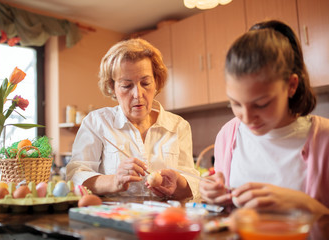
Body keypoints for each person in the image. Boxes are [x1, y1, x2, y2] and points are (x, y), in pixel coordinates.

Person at [199, 20, 329, 214]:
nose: (248, 118)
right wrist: (211, 197)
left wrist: (304, 205)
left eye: (261, 104)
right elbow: (224, 215)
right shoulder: (228, 135)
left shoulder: (324, 139)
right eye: (235, 104)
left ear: (291, 85)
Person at [66, 38, 199, 200]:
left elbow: (193, 184)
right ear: (112, 87)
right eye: (126, 86)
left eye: (146, 83)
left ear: (156, 82)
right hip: (114, 219)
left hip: (166, 218)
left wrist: (178, 182)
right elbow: (76, 176)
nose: (138, 94)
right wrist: (114, 180)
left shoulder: (178, 126)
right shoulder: (96, 122)